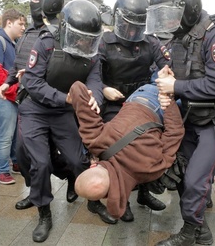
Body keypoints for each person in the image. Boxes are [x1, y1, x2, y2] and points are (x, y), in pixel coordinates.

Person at [148, 0, 215, 244]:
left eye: (170, 14)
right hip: (192, 116)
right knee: (181, 172)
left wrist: (176, 85)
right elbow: (174, 66)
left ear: (187, 9)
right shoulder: (181, 35)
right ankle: (199, 230)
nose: (167, 21)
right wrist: (165, 73)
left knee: (211, 176)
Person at [18, 0, 104, 242]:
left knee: (78, 159)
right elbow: (32, 82)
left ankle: (92, 201)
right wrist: (65, 98)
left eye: (90, 38)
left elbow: (95, 80)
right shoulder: (46, 42)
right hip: (36, 109)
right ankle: (44, 212)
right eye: (80, 37)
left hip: (63, 111)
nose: (84, 43)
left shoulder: (92, 51)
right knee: (41, 163)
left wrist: (94, 97)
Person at [0, 0, 80, 210]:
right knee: (26, 155)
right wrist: (8, 81)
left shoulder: (61, 34)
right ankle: (36, 193)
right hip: (32, 104)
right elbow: (17, 65)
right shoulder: (26, 37)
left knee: (59, 157)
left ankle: (71, 177)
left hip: (58, 105)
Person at [96, 0, 172, 223]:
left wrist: (166, 77)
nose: (132, 31)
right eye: (129, 25)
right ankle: (123, 197)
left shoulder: (151, 41)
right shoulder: (104, 41)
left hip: (141, 102)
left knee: (149, 144)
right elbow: (91, 75)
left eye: (138, 26)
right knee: (118, 149)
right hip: (114, 100)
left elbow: (166, 66)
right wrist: (104, 88)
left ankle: (145, 192)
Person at [69, 81, 184, 219]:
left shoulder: (151, 170)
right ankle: (143, 196)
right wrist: (89, 98)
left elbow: (175, 132)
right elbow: (77, 87)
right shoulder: (94, 140)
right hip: (139, 96)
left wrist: (168, 100)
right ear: (93, 165)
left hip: (160, 105)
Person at [0, 9, 26, 184]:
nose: (23, 27)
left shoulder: (11, 42)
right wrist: (13, 90)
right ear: (9, 22)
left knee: (13, 133)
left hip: (7, 95)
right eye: (21, 23)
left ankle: (15, 162)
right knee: (4, 134)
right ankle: (1, 170)